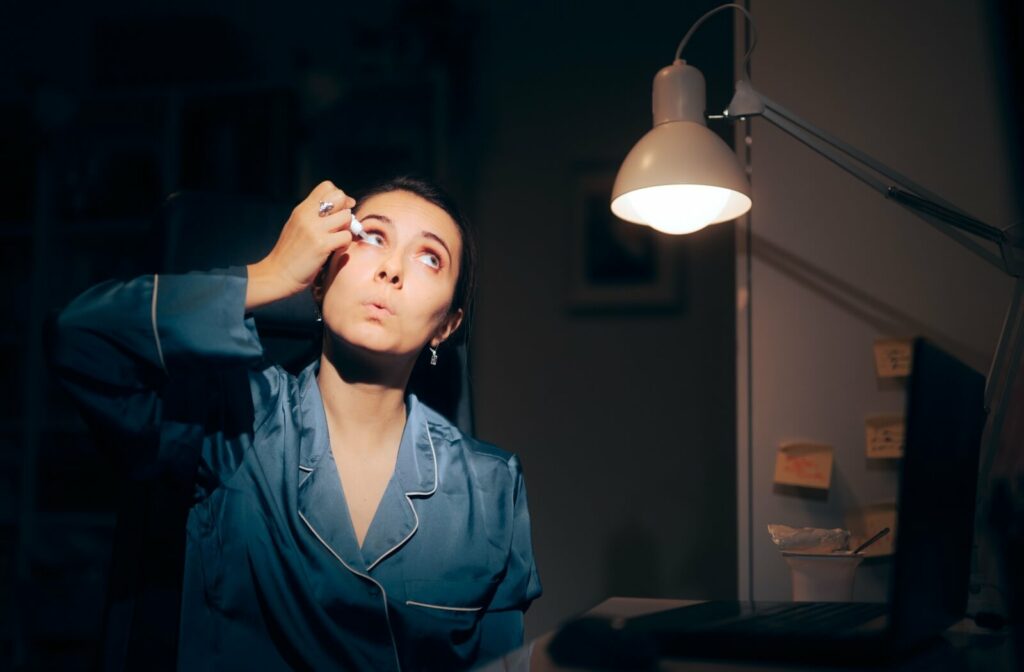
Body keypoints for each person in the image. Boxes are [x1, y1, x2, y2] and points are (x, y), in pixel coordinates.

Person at [51, 177, 542, 671]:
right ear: (322, 278)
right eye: (372, 237)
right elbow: (81, 339)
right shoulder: (232, 418)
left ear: (447, 325)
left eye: (429, 257)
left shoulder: (491, 487)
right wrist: (273, 273)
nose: (392, 269)